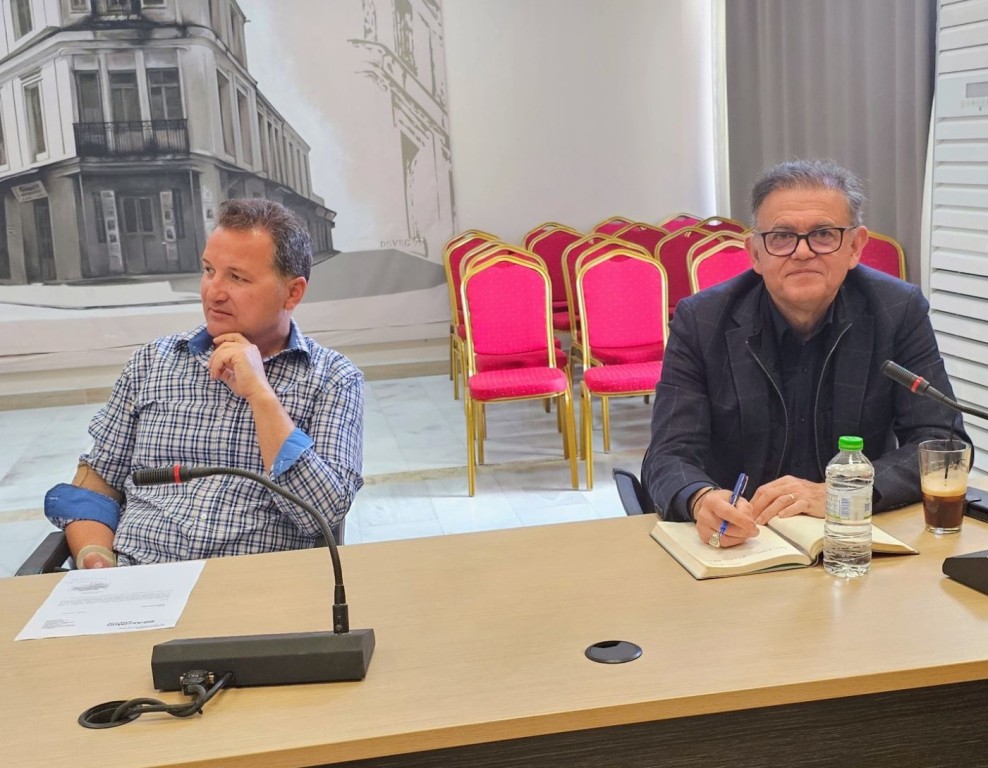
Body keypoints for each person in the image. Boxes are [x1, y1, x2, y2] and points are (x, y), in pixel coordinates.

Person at [641, 159, 968, 548]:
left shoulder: (897, 311)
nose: (802, 252)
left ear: (855, 246)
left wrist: (843, 491)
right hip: (741, 541)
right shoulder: (702, 321)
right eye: (781, 237)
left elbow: (942, 444)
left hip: (851, 538)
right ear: (755, 253)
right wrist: (699, 498)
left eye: (824, 234)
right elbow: (668, 454)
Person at [45, 199, 364, 567]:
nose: (214, 291)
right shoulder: (153, 362)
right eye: (209, 270)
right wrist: (96, 556)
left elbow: (322, 513)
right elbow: (96, 484)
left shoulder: (332, 379)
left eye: (237, 277)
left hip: (256, 584)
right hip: (141, 576)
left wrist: (260, 395)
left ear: (292, 292)